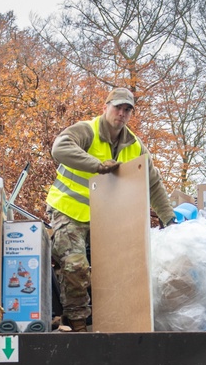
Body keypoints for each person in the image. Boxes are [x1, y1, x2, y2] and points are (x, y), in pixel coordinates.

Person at [45, 87, 176, 332]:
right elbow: (59, 149)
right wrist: (97, 165)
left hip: (105, 219)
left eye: (127, 109)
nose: (122, 113)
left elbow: (153, 182)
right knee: (75, 265)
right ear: (105, 107)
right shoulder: (87, 130)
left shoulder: (134, 145)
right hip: (68, 211)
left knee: (119, 269)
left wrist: (169, 220)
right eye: (118, 107)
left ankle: (114, 320)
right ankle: (77, 323)